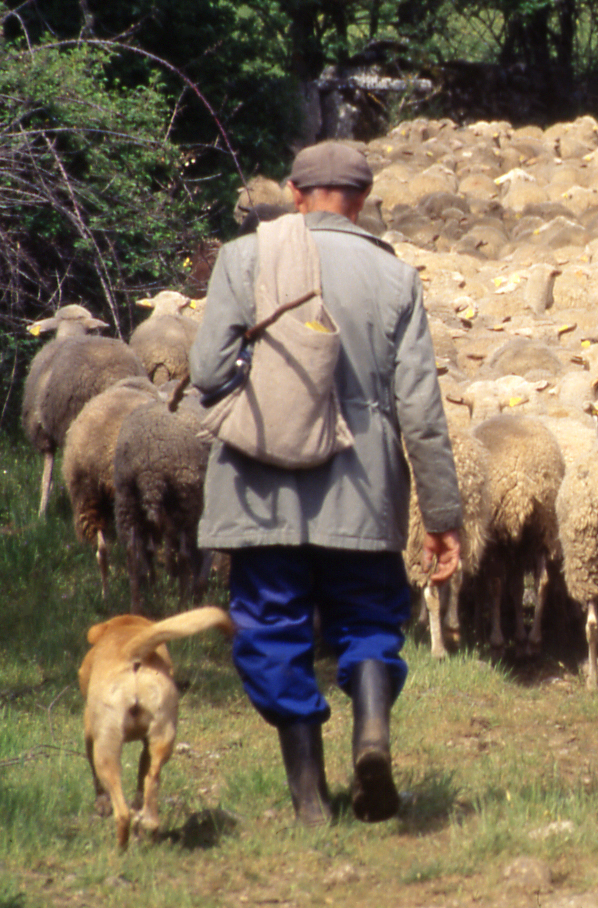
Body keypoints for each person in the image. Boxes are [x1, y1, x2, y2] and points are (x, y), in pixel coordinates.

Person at [190, 141, 462, 826]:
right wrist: (441, 512)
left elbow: (207, 371)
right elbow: (421, 410)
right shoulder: (393, 277)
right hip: (362, 488)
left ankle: (311, 803)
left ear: (294, 190)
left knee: (273, 627)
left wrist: (271, 382)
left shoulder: (244, 256)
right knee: (370, 619)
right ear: (363, 200)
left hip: (262, 487)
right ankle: (370, 736)